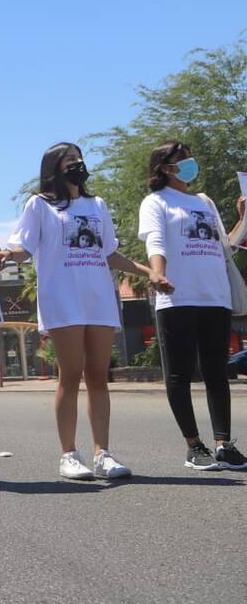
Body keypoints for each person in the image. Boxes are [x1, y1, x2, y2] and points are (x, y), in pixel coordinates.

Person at [0, 142, 153, 481]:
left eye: (79, 157)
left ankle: (103, 454)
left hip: (98, 299)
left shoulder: (97, 205)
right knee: (70, 375)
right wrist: (7, 256)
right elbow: (23, 248)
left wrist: (149, 273)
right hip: (62, 299)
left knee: (98, 375)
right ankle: (69, 455)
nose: (77, 163)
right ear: (54, 167)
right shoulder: (39, 204)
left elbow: (110, 253)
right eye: (69, 159)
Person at [137, 141, 247, 471]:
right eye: (181, 159)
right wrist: (157, 273)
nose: (189, 162)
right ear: (164, 167)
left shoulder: (204, 201)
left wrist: (243, 218)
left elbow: (226, 247)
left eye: (189, 157)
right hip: (178, 298)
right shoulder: (156, 201)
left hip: (215, 297)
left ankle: (224, 444)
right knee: (179, 373)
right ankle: (194, 446)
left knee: (217, 372)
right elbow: (155, 241)